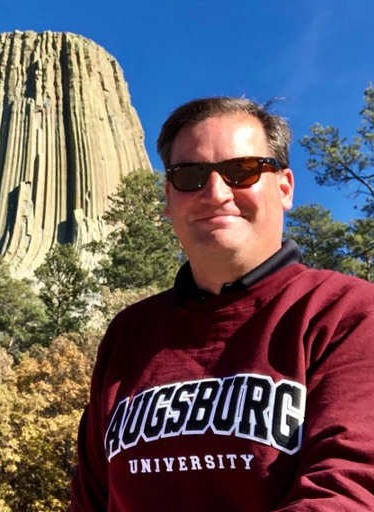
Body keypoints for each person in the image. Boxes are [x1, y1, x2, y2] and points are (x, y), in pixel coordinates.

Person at [70, 97, 374, 511]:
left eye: (241, 171)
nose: (215, 192)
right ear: (169, 198)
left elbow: (348, 492)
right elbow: (90, 497)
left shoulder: (346, 312)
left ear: (284, 187)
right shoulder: (130, 332)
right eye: (190, 175)